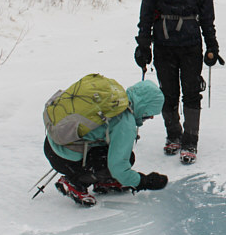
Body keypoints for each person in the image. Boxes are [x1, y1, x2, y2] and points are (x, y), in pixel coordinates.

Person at [134, 0, 222, 165]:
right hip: (164, 44)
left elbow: (207, 16)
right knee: (168, 93)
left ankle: (190, 139)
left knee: (192, 92)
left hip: (191, 44)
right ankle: (173, 134)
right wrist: (143, 44)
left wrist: (212, 45)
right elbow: (147, 11)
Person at [44, 79, 169, 207]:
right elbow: (119, 168)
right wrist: (144, 181)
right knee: (126, 159)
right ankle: (76, 182)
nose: (151, 117)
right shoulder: (125, 122)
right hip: (64, 158)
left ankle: (102, 179)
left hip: (52, 144)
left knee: (110, 152)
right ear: (144, 107)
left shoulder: (113, 100)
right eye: (150, 114)